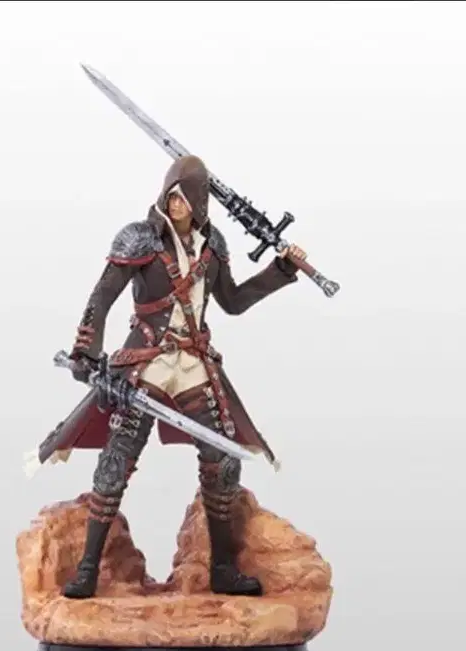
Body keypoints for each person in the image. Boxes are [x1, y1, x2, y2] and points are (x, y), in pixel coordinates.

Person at [36, 154, 307, 599]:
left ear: (199, 202)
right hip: (147, 361)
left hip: (194, 364)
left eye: (183, 198)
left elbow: (233, 302)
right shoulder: (139, 238)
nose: (174, 204)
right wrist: (87, 352)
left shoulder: (212, 246)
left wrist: (281, 272)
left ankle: (223, 569)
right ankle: (87, 571)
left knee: (223, 459)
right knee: (116, 460)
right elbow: (102, 297)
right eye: (170, 196)